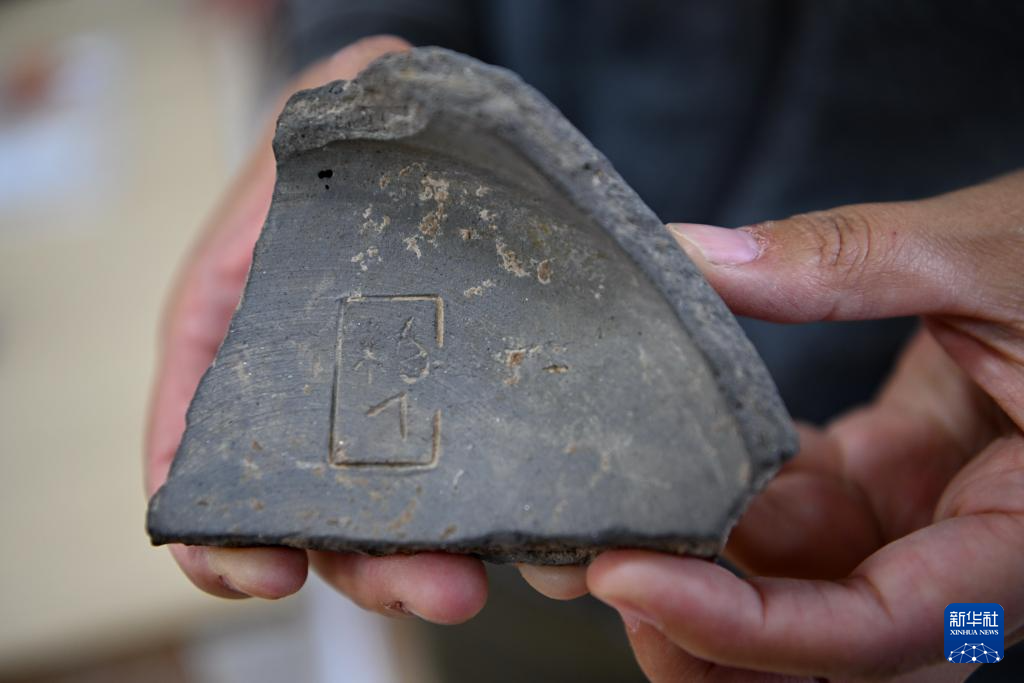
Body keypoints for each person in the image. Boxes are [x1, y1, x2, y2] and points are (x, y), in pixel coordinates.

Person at [146, 3, 1024, 680]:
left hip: (950, 500)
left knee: (953, 642)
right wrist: (356, 46)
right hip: (507, 558)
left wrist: (996, 635)